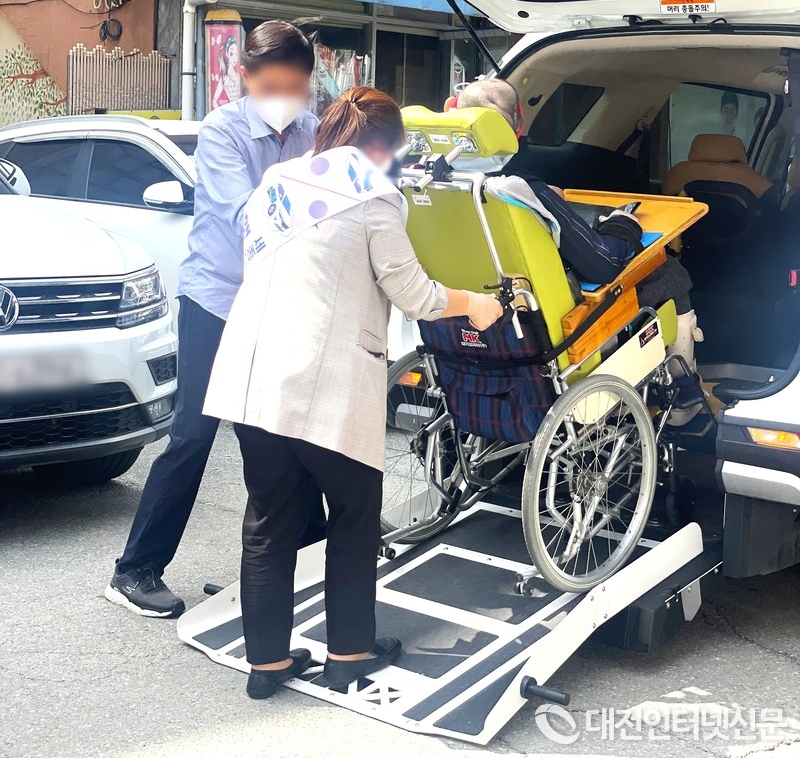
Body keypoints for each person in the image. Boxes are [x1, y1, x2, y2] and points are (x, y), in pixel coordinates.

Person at [202, 87, 503, 700]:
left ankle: (267, 664)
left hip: (253, 376)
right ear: (384, 147)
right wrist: (476, 304)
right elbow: (413, 293)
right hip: (322, 380)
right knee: (354, 516)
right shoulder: (373, 192)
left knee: (269, 519)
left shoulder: (279, 180)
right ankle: (348, 654)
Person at [106, 21, 324, 618]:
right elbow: (245, 214)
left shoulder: (313, 132)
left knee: (280, 436)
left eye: (296, 87)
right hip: (218, 301)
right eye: (272, 86)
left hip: (280, 302)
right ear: (245, 77)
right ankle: (135, 569)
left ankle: (298, 556)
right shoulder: (223, 131)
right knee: (193, 436)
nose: (285, 98)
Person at [454, 79, 703, 418]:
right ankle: (685, 393)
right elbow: (603, 264)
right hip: (554, 327)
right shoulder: (521, 192)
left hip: (465, 325)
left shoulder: (425, 184)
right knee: (671, 271)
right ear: (519, 122)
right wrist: (622, 224)